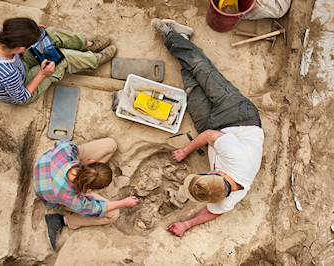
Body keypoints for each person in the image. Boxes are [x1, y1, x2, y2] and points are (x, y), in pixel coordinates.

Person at [151, 19, 264, 237]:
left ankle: (183, 39)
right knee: (202, 70)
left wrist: (187, 224)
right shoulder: (236, 157)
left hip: (215, 132)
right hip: (238, 116)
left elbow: (214, 212)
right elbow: (210, 136)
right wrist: (185, 151)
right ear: (214, 173)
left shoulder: (228, 198)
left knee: (192, 88)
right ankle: (170, 36)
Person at [0, 17, 116, 104]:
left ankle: (87, 44)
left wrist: (34, 32)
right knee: (61, 59)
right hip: (22, 86)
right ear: (22, 47)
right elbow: (21, 97)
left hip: (17, 62)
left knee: (49, 34)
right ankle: (95, 60)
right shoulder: (7, 74)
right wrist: (42, 73)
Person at [33, 138, 138, 250]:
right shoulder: (71, 197)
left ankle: (88, 175)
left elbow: (64, 143)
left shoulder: (66, 150)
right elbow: (96, 209)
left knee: (111, 145)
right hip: (47, 192)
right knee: (113, 214)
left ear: (91, 162)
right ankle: (62, 220)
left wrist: (78, 164)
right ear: (88, 189)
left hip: (43, 165)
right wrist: (124, 202)